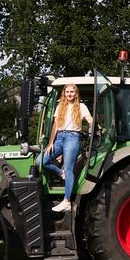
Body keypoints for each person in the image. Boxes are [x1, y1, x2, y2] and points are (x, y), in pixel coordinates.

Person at [39, 84, 93, 212]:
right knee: (41, 161)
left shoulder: (81, 106)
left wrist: (95, 124)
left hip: (73, 138)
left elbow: (89, 119)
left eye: (72, 92)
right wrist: (51, 142)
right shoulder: (60, 107)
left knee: (69, 169)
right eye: (67, 92)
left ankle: (67, 201)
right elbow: (55, 126)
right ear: (64, 93)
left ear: (76, 93)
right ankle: (60, 172)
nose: (69, 94)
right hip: (59, 138)